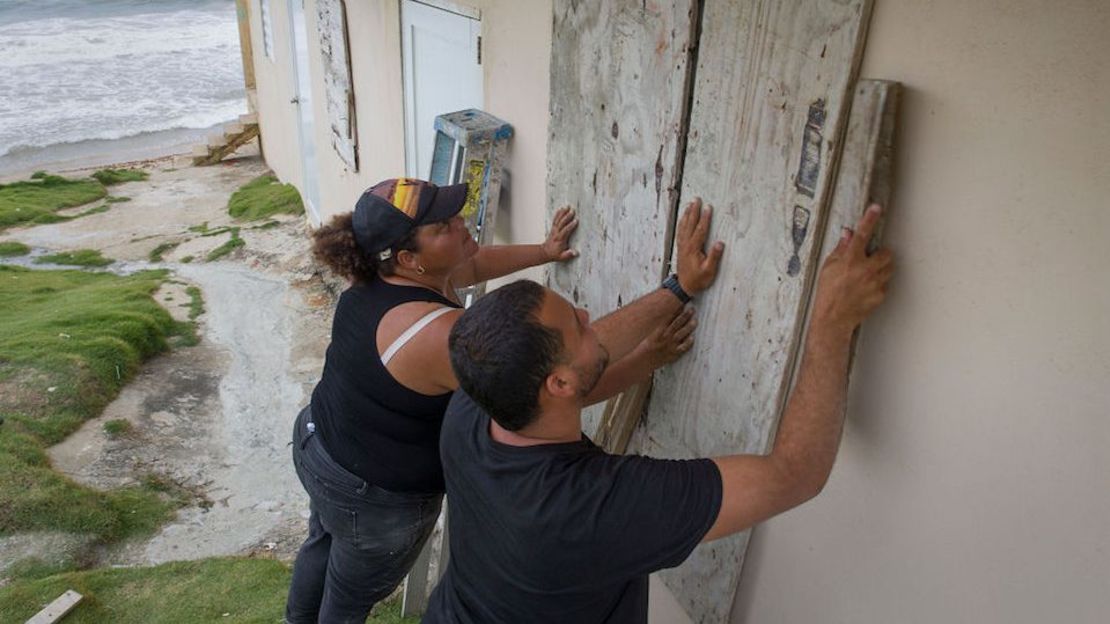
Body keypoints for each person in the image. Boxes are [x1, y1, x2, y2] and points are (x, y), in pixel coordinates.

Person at [424, 201, 894, 623]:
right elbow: (796, 473)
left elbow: (576, 368)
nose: (589, 317)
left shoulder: (479, 399)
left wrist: (678, 289)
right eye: (576, 323)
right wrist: (831, 323)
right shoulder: (590, 510)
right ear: (559, 382)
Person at [284, 177, 695, 623]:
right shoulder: (437, 336)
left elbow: (474, 267)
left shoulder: (383, 272)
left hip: (318, 443)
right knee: (348, 596)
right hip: (374, 494)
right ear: (408, 258)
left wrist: (544, 251)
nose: (461, 225)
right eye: (442, 225)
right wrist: (675, 296)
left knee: (322, 545)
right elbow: (570, 376)